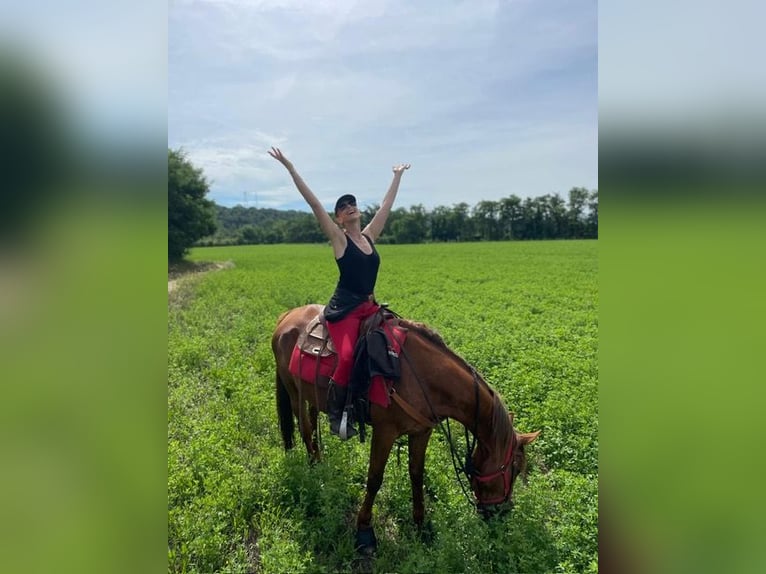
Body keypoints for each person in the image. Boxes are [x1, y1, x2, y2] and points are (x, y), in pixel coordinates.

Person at [269, 147, 410, 439]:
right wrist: (291, 168)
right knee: (346, 356)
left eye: (353, 203)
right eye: (343, 207)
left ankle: (385, 402)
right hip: (344, 311)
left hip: (370, 308)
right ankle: (339, 413)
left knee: (400, 341)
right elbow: (314, 204)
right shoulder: (339, 240)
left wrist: (396, 177)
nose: (350, 207)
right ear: (339, 219)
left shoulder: (370, 236)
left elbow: (386, 206)